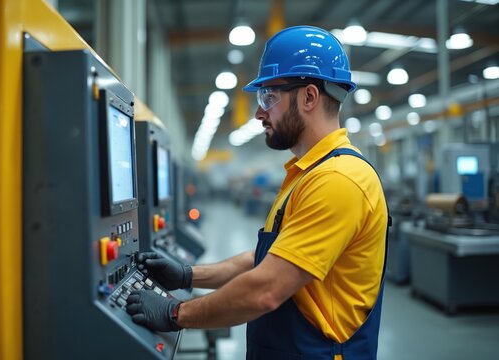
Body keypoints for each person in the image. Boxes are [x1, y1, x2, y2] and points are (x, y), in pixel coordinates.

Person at [126, 25, 390, 360]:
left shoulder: (339, 179)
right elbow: (266, 258)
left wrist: (175, 314)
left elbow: (265, 289)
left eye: (269, 97)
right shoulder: (306, 173)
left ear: (309, 97)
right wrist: (188, 275)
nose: (259, 112)